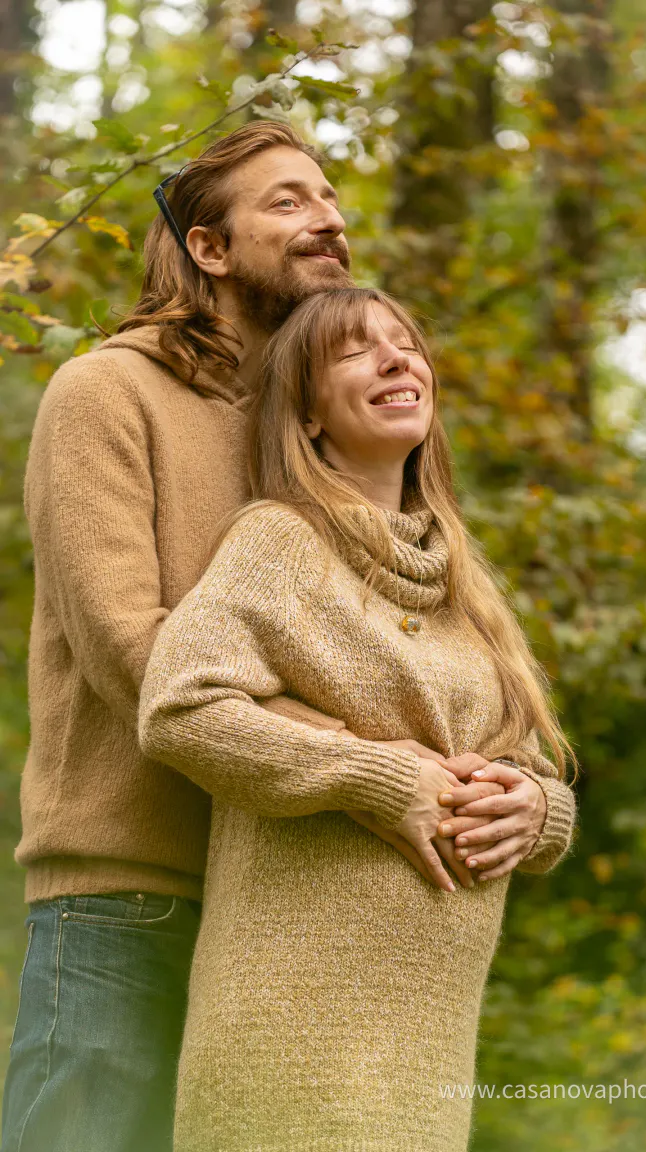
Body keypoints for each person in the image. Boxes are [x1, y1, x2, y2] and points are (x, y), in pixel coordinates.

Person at [1, 123, 574, 1151]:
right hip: (134, 889)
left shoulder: (322, 428)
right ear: (209, 250)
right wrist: (374, 763)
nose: (332, 222)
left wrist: (514, 794)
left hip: (290, 899)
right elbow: (134, 651)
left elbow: (413, 658)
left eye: (331, 198)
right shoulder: (106, 394)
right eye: (289, 202)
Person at [137, 286, 578, 1152]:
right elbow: (180, 707)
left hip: (429, 1045)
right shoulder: (281, 540)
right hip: (298, 1033)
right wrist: (372, 776)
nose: (395, 358)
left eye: (407, 343)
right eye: (354, 350)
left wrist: (540, 814)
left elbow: (529, 766)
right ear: (306, 415)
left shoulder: (465, 585)